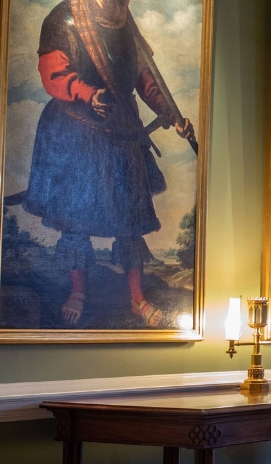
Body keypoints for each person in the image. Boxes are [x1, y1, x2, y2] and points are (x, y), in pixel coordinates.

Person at [12, 0, 195, 328]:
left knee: (130, 220)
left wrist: (168, 110)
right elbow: (54, 71)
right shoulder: (63, 18)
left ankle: (137, 299)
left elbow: (143, 76)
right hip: (77, 129)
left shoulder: (124, 20)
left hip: (122, 130)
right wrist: (84, 92)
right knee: (76, 219)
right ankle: (78, 292)